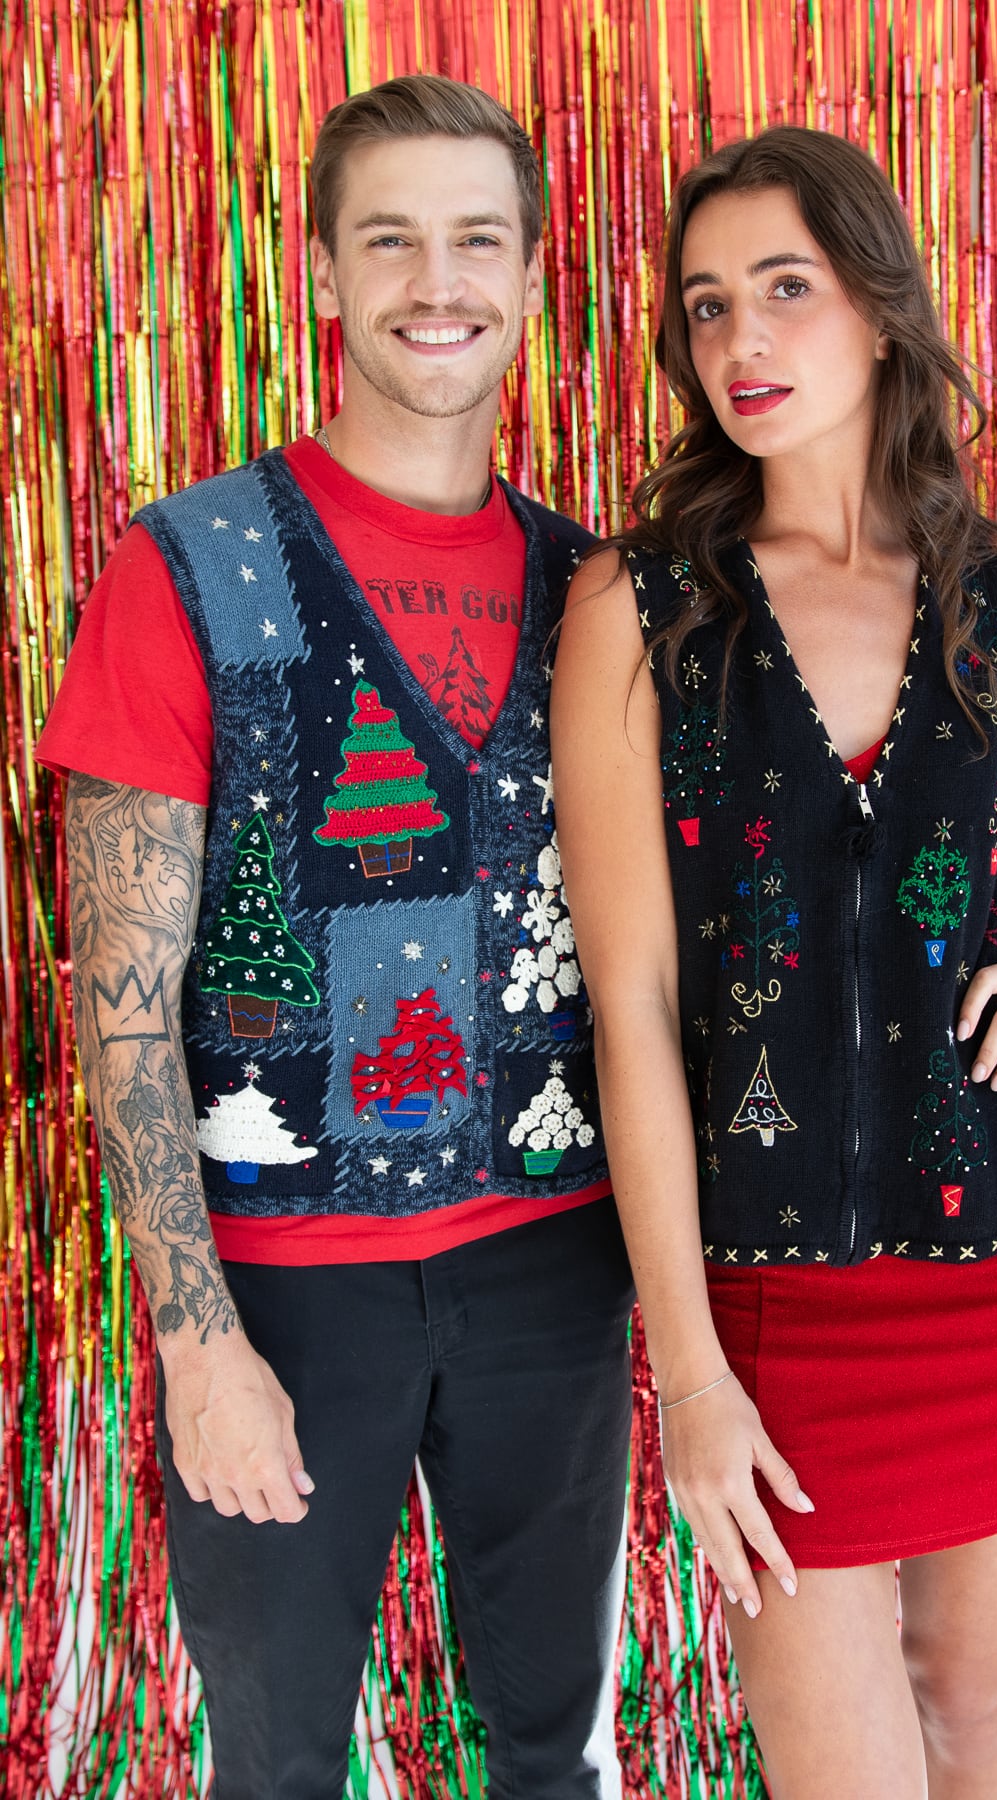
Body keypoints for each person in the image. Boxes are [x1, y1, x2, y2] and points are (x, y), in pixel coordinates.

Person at [38, 74, 633, 1800]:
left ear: (530, 280)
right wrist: (193, 1336)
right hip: (284, 1302)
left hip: (551, 1275)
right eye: (390, 239)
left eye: (475, 241)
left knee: (553, 1751)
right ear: (317, 270)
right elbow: (123, 994)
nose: (433, 283)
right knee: (282, 1762)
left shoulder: (597, 586)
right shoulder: (191, 569)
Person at [552, 126, 997, 1800]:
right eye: (707, 304)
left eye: (785, 291)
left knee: (976, 1716)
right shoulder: (643, 611)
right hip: (775, 1307)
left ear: (878, 313)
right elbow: (637, 1011)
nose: (740, 340)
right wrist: (692, 1375)